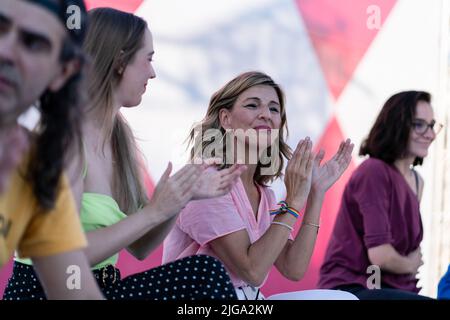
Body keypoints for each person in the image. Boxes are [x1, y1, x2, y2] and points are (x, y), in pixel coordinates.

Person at [4, 7, 245, 300]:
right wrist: (154, 211)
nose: (153, 72)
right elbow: (64, 257)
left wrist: (181, 198)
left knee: (204, 274)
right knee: (203, 275)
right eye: (148, 59)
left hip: (102, 287)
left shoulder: (120, 140)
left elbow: (140, 248)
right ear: (120, 61)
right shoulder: (67, 143)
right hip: (45, 292)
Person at [162, 71, 356, 300]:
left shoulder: (264, 194)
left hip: (248, 300)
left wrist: (316, 194)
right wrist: (292, 203)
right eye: (253, 106)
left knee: (343, 300)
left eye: (274, 109)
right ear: (226, 119)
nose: (266, 114)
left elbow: (293, 268)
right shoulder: (207, 182)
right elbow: (252, 270)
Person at [0, 0, 103, 299]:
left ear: (63, 73)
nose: (5, 50)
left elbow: (75, 288)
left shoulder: (37, 166)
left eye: (32, 43)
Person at [318, 91, 441, 300]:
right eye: (419, 124)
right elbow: (381, 256)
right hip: (353, 289)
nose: (430, 134)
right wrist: (411, 263)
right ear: (397, 124)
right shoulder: (373, 171)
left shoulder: (418, 181)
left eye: (432, 125)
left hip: (396, 290)